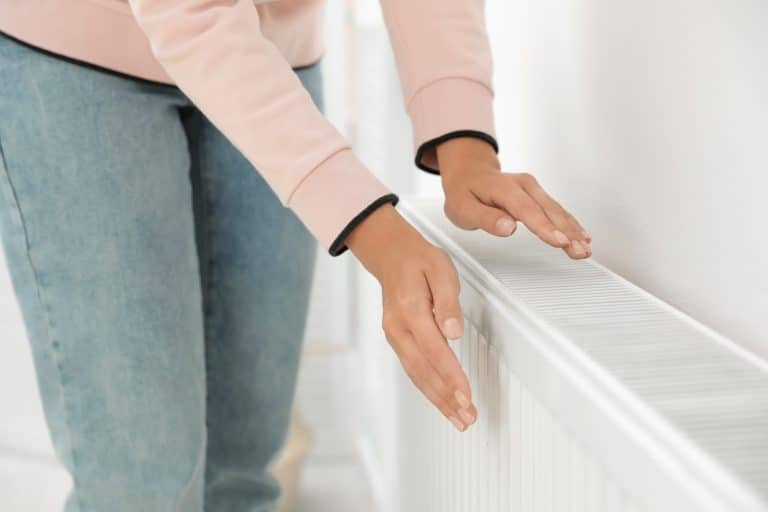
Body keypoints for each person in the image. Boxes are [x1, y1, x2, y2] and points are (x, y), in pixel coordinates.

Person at [0, 0, 592, 510]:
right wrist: (371, 227)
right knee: (140, 479)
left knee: (245, 467)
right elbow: (191, 15)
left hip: (272, 49)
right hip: (73, 58)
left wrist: (464, 144)